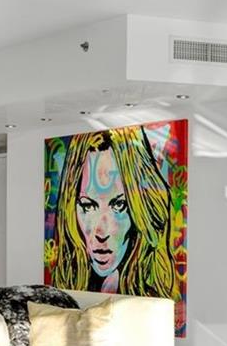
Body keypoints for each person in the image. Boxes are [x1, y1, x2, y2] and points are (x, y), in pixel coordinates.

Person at [47, 126, 179, 300]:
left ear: (141, 208)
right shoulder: (67, 292)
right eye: (88, 206)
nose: (102, 232)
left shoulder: (153, 301)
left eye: (119, 205)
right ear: (70, 208)